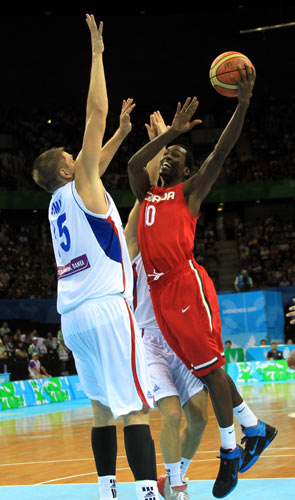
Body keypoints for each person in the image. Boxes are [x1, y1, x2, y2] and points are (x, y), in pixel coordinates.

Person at [127, 65, 277, 498]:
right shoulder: (147, 193)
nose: (169, 158)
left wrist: (243, 105)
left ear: (188, 169)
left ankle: (231, 453)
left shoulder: (189, 193)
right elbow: (137, 163)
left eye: (176, 156)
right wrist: (169, 134)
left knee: (210, 370)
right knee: (205, 368)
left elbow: (222, 151)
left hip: (184, 284)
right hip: (159, 298)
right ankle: (254, 427)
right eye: (168, 156)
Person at [31, 14, 159, 500]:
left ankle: (107, 491)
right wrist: (98, 52)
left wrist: (124, 134)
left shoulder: (57, 202)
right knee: (134, 409)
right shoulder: (78, 185)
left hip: (73, 318)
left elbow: (97, 163)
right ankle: (148, 494)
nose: (79, 154)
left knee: (102, 409)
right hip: (107, 308)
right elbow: (94, 114)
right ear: (68, 167)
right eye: (73, 154)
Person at [125, 111, 208, 500]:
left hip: (180, 333)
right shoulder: (136, 238)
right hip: (151, 340)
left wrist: (167, 141)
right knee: (172, 415)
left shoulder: (174, 215)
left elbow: (168, 195)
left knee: (200, 417)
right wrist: (164, 143)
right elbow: (148, 194)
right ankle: (176, 489)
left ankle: (175, 476)